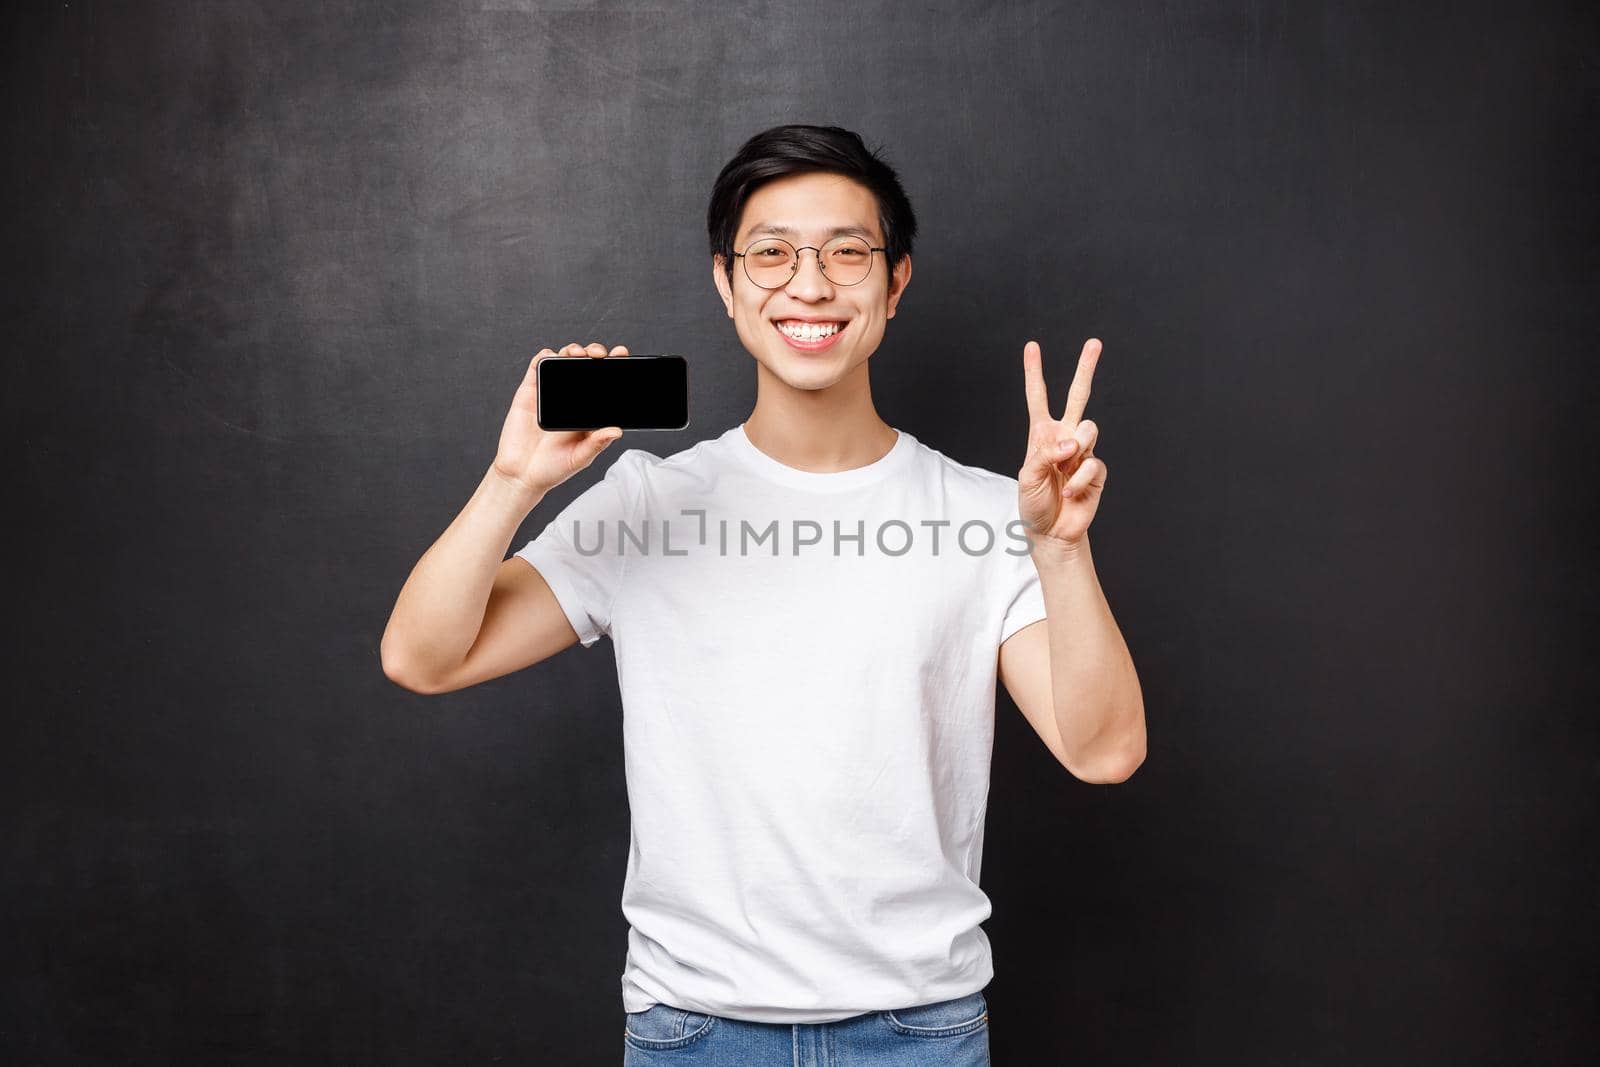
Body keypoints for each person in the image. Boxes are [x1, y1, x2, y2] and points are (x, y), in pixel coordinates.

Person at [381, 123, 1145, 1065]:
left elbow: (1104, 750)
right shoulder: (646, 503)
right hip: (692, 1031)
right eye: (772, 254)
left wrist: (1062, 550)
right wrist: (513, 481)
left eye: (848, 253)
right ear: (726, 282)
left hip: (920, 1031)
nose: (811, 285)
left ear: (896, 281)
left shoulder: (991, 513)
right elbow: (422, 656)